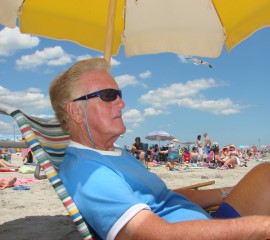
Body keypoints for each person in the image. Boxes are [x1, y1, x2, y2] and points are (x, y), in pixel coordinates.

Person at [50, 58, 270, 240]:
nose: (121, 103)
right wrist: (262, 228)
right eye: (108, 96)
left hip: (202, 223)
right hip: (192, 233)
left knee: (265, 174)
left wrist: (224, 193)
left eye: (120, 94)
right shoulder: (88, 172)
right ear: (75, 111)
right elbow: (154, 236)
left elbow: (162, 197)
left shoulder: (116, 154)